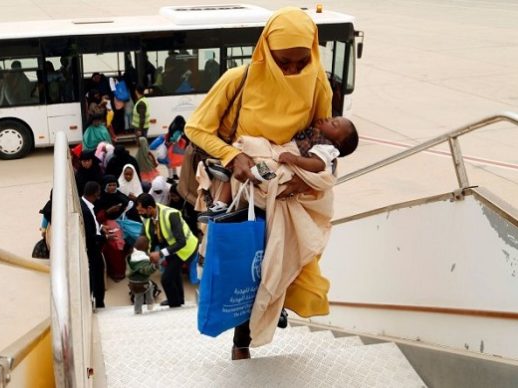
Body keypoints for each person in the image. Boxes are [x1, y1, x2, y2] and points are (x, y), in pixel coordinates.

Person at [184, 7, 336, 360]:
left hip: (287, 191)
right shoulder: (239, 78)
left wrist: (308, 178)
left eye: (302, 61)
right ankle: (241, 343)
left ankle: (270, 310)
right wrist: (231, 156)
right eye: (284, 62)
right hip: (244, 193)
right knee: (247, 264)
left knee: (288, 264)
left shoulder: (317, 82)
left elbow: (324, 139)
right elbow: (196, 128)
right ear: (266, 49)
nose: (293, 70)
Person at [204, 116, 359, 214]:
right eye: (332, 118)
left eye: (334, 124)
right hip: (279, 152)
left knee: (265, 166)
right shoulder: (316, 133)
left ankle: (251, 174)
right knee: (250, 144)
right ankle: (221, 201)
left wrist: (294, 159)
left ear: (337, 142)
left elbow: (317, 164)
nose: (328, 119)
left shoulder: (327, 147)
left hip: (286, 164)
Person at [136, 193, 198, 308]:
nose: (140, 213)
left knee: (166, 279)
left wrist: (159, 254)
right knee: (174, 274)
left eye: (141, 211)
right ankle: (179, 300)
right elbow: (145, 237)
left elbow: (181, 242)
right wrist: (143, 256)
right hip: (170, 247)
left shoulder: (171, 214)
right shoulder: (148, 218)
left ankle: (174, 305)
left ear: (149, 208)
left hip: (186, 248)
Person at [80, 181, 112, 308]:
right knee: (97, 277)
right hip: (93, 250)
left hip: (93, 247)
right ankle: (99, 304)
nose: (99, 197)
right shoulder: (86, 211)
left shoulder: (86, 206)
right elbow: (90, 236)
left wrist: (100, 227)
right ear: (93, 194)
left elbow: (91, 226)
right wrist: (105, 237)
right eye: (98, 194)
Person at [126, 236, 159, 314]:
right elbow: (146, 271)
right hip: (142, 283)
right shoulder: (143, 259)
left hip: (132, 284)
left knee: (138, 296)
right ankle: (150, 304)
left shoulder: (131, 257)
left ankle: (137, 310)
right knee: (150, 286)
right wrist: (154, 266)